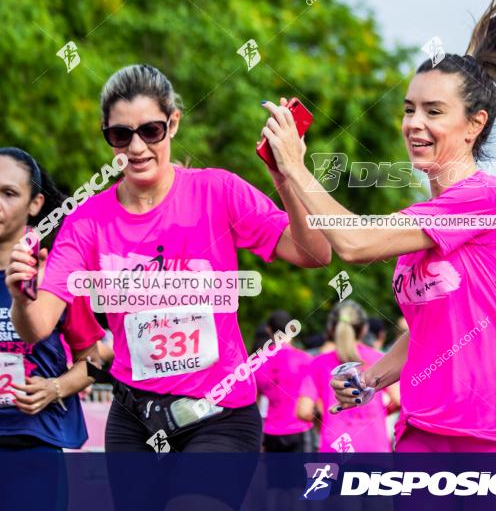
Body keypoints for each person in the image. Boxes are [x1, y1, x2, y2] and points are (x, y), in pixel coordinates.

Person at [268, 0, 496, 452]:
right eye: (409, 110)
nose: (414, 124)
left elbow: (355, 243)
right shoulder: (423, 223)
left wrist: (297, 168)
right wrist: (368, 378)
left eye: (433, 111)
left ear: (474, 125)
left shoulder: (486, 200)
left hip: (495, 434)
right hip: (422, 432)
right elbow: (430, 333)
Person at [5, 64, 331, 458]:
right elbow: (36, 327)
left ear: (173, 123)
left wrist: (286, 176)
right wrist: (22, 297)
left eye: (150, 131)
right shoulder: (87, 221)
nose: (137, 148)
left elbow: (315, 253)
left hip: (219, 414)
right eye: (121, 135)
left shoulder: (218, 191)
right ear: (107, 136)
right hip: (135, 419)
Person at [0, 149, 111, 508]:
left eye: (9, 193)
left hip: (33, 444)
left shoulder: (55, 278)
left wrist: (56, 387)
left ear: (35, 204)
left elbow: (94, 359)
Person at [297, 301, 397, 452]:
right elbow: (398, 399)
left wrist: (323, 421)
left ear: (331, 329)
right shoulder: (379, 359)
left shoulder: (318, 363)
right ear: (364, 329)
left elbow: (303, 411)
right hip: (375, 448)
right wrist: (379, 414)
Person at [256, 310, 313, 453]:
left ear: (268, 330)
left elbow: (253, 400)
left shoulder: (258, 362)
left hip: (271, 431)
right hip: (299, 428)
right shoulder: (305, 360)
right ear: (292, 329)